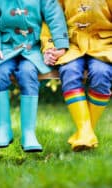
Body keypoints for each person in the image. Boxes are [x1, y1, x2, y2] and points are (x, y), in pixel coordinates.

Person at [0, 0, 69, 152]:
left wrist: (60, 45)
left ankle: (28, 133)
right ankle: (3, 130)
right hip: (5, 48)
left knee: (28, 73)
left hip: (33, 48)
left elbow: (55, 18)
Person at [42, 0, 112, 151]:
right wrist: (50, 47)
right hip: (71, 45)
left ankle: (85, 133)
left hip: (104, 45)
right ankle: (86, 132)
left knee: (102, 73)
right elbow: (51, 20)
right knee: (69, 71)